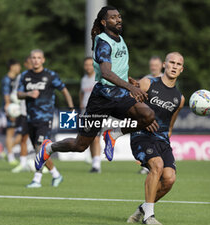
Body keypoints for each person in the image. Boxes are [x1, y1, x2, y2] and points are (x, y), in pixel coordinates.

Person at [35, 6, 155, 171]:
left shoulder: (119, 39)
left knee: (147, 115)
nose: (118, 19)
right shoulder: (103, 41)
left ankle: (112, 134)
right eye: (113, 17)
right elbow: (105, 73)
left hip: (119, 95)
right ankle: (49, 148)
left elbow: (115, 68)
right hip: (102, 98)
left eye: (119, 16)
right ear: (104, 22)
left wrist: (129, 80)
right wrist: (130, 87)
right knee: (80, 145)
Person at [127, 52, 185, 225]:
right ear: (164, 65)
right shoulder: (148, 83)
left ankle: (143, 208)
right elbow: (128, 105)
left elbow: (171, 124)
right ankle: (148, 216)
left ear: (182, 69)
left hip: (162, 140)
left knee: (169, 178)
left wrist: (167, 135)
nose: (174, 66)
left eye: (178, 64)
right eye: (171, 62)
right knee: (157, 166)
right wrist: (142, 120)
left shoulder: (179, 99)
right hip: (141, 135)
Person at [18, 49, 74, 188]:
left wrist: (71, 107)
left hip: (46, 118)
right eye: (33, 58)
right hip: (30, 118)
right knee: (40, 150)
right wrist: (28, 94)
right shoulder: (25, 75)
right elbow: (19, 94)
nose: (36, 60)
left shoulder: (50, 75)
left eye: (38, 58)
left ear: (43, 60)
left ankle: (37, 179)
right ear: (30, 60)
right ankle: (56, 175)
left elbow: (64, 90)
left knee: (40, 147)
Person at [140, 55, 164, 174]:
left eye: (156, 65)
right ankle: (146, 166)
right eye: (152, 65)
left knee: (159, 141)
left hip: (162, 117)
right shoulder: (145, 80)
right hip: (148, 117)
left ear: (162, 66)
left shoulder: (166, 80)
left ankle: (157, 165)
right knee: (147, 140)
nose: (153, 67)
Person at [79, 57, 101, 173]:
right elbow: (82, 93)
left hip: (97, 112)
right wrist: (81, 105)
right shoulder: (84, 79)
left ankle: (97, 165)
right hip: (86, 113)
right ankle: (94, 163)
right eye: (86, 65)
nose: (88, 67)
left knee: (96, 138)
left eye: (90, 65)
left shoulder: (99, 78)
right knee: (90, 139)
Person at [11, 55, 33, 173]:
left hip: (39, 113)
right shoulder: (21, 77)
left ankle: (43, 164)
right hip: (24, 112)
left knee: (40, 141)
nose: (32, 63)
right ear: (26, 64)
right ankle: (23, 163)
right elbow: (15, 94)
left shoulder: (42, 76)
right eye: (30, 62)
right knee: (23, 138)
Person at [1, 59, 21, 165]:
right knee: (10, 132)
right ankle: (10, 156)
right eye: (17, 66)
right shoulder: (7, 79)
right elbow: (6, 94)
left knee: (22, 133)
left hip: (18, 109)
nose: (19, 68)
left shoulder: (18, 78)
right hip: (11, 109)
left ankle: (6, 151)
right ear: (12, 67)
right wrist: (9, 109)